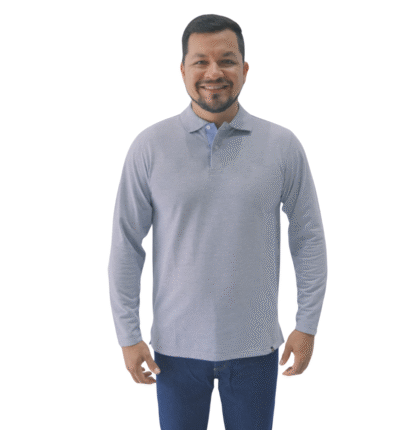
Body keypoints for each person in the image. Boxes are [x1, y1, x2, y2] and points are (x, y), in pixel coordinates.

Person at [108, 13, 327, 430]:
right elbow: (126, 244)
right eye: (201, 62)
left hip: (255, 348)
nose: (214, 73)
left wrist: (307, 325)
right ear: (182, 70)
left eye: (227, 61)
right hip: (174, 350)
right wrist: (128, 334)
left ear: (244, 69)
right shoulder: (150, 147)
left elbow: (308, 237)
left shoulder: (281, 146)